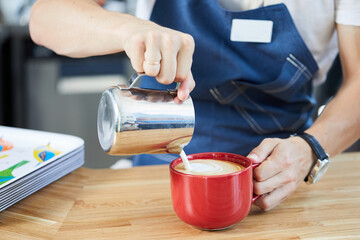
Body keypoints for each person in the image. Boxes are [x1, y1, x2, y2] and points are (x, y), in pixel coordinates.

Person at [29, 0, 360, 211]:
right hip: (151, 180)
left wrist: (310, 148)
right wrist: (129, 29)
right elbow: (45, 18)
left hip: (279, 184)